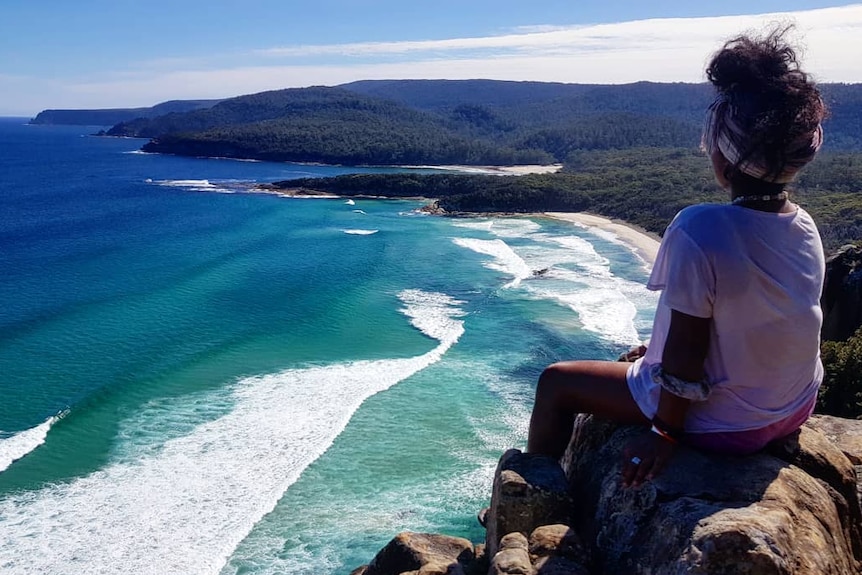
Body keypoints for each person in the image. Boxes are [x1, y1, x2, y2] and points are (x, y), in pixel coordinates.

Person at [526, 27, 827, 488]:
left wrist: (663, 432)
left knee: (555, 382)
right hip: (792, 407)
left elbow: (688, 348)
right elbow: (759, 320)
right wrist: (658, 347)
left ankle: (533, 494)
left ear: (723, 162)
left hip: (727, 424)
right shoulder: (804, 225)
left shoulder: (699, 228)